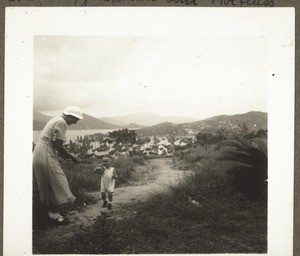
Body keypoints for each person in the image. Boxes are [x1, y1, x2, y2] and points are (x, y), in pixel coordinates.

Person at [33, 106, 84, 226]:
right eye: (75, 119)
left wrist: (64, 156)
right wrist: (73, 157)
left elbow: (55, 144)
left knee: (49, 184)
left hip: (42, 151)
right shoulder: (61, 122)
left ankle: (53, 214)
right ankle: (53, 215)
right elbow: (58, 146)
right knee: (57, 182)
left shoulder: (55, 119)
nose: (75, 123)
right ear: (70, 116)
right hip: (45, 153)